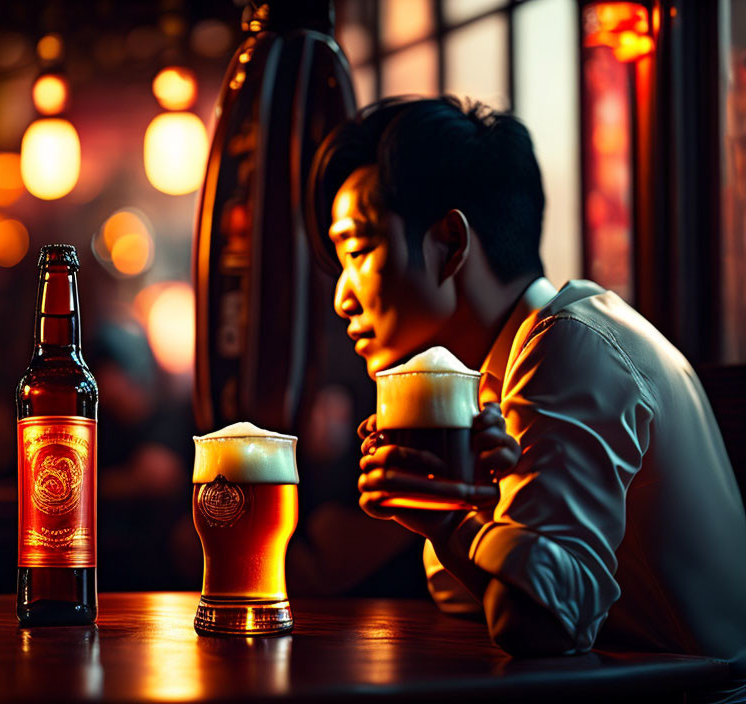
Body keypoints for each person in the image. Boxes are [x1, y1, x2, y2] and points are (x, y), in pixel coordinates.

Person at [307, 95, 746, 661]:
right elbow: (472, 603)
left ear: (451, 243)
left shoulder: (568, 342)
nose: (343, 297)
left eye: (359, 248)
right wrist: (480, 505)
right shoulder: (503, 368)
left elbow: (537, 626)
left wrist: (448, 523)